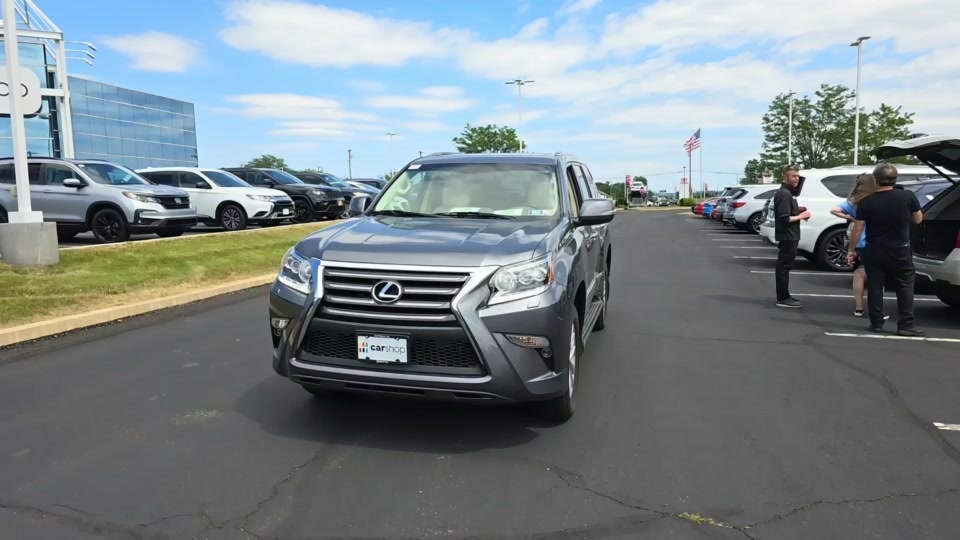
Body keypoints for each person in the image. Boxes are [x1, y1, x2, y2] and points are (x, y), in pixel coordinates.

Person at [847, 163, 924, 336]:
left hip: (874, 249)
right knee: (904, 286)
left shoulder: (866, 201)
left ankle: (876, 322)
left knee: (875, 285)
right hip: (900, 249)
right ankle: (905, 325)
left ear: (876, 180)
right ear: (896, 178)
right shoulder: (907, 196)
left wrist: (851, 249)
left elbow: (858, 228)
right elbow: (918, 219)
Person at [830, 174, 888, 319]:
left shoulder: (854, 202)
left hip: (859, 243)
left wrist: (849, 217)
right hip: (877, 242)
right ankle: (877, 308)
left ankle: (859, 307)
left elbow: (834, 210)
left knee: (858, 274)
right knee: (876, 277)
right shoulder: (878, 199)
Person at [774, 166, 811, 308]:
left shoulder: (788, 193)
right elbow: (784, 218)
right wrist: (802, 215)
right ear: (785, 177)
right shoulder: (784, 194)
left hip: (791, 235)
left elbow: (788, 214)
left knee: (785, 266)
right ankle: (783, 298)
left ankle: (784, 296)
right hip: (788, 236)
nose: (796, 179)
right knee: (784, 266)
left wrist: (798, 212)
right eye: (793, 176)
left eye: (797, 176)